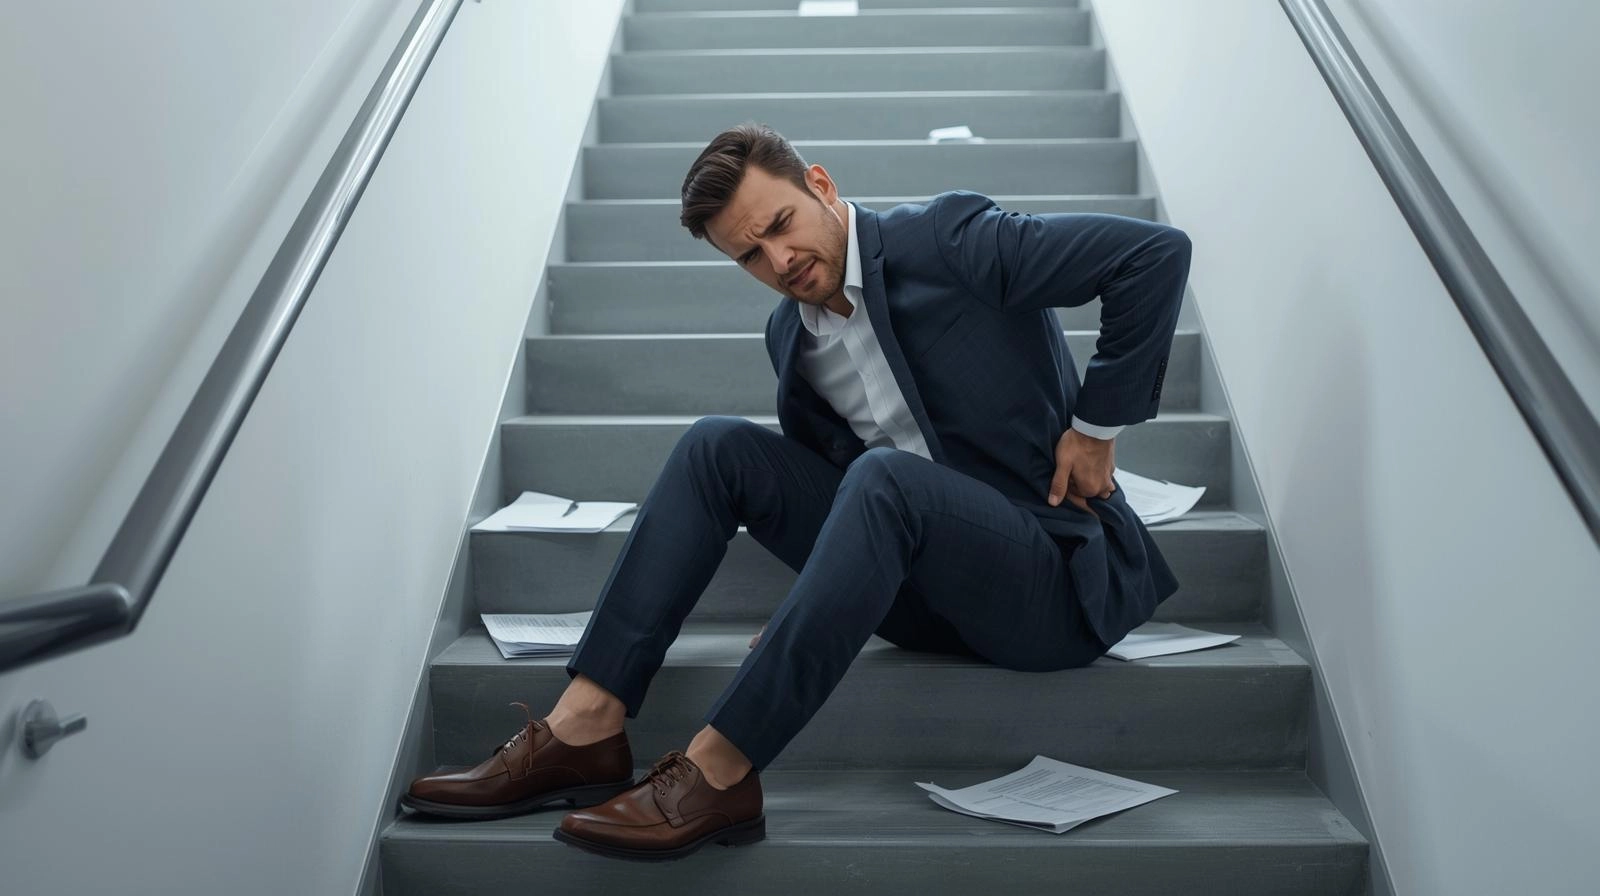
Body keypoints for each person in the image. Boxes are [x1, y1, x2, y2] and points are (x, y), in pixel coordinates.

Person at [403, 123, 1190, 862]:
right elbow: (841, 495)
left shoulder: (950, 241)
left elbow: (1152, 256)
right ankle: (586, 724)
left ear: (819, 183)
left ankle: (721, 769)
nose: (778, 261)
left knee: (886, 480)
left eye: (781, 224)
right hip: (922, 600)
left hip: (1049, 582)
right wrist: (827, 591)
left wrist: (1096, 427)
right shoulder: (790, 335)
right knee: (717, 445)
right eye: (749, 256)